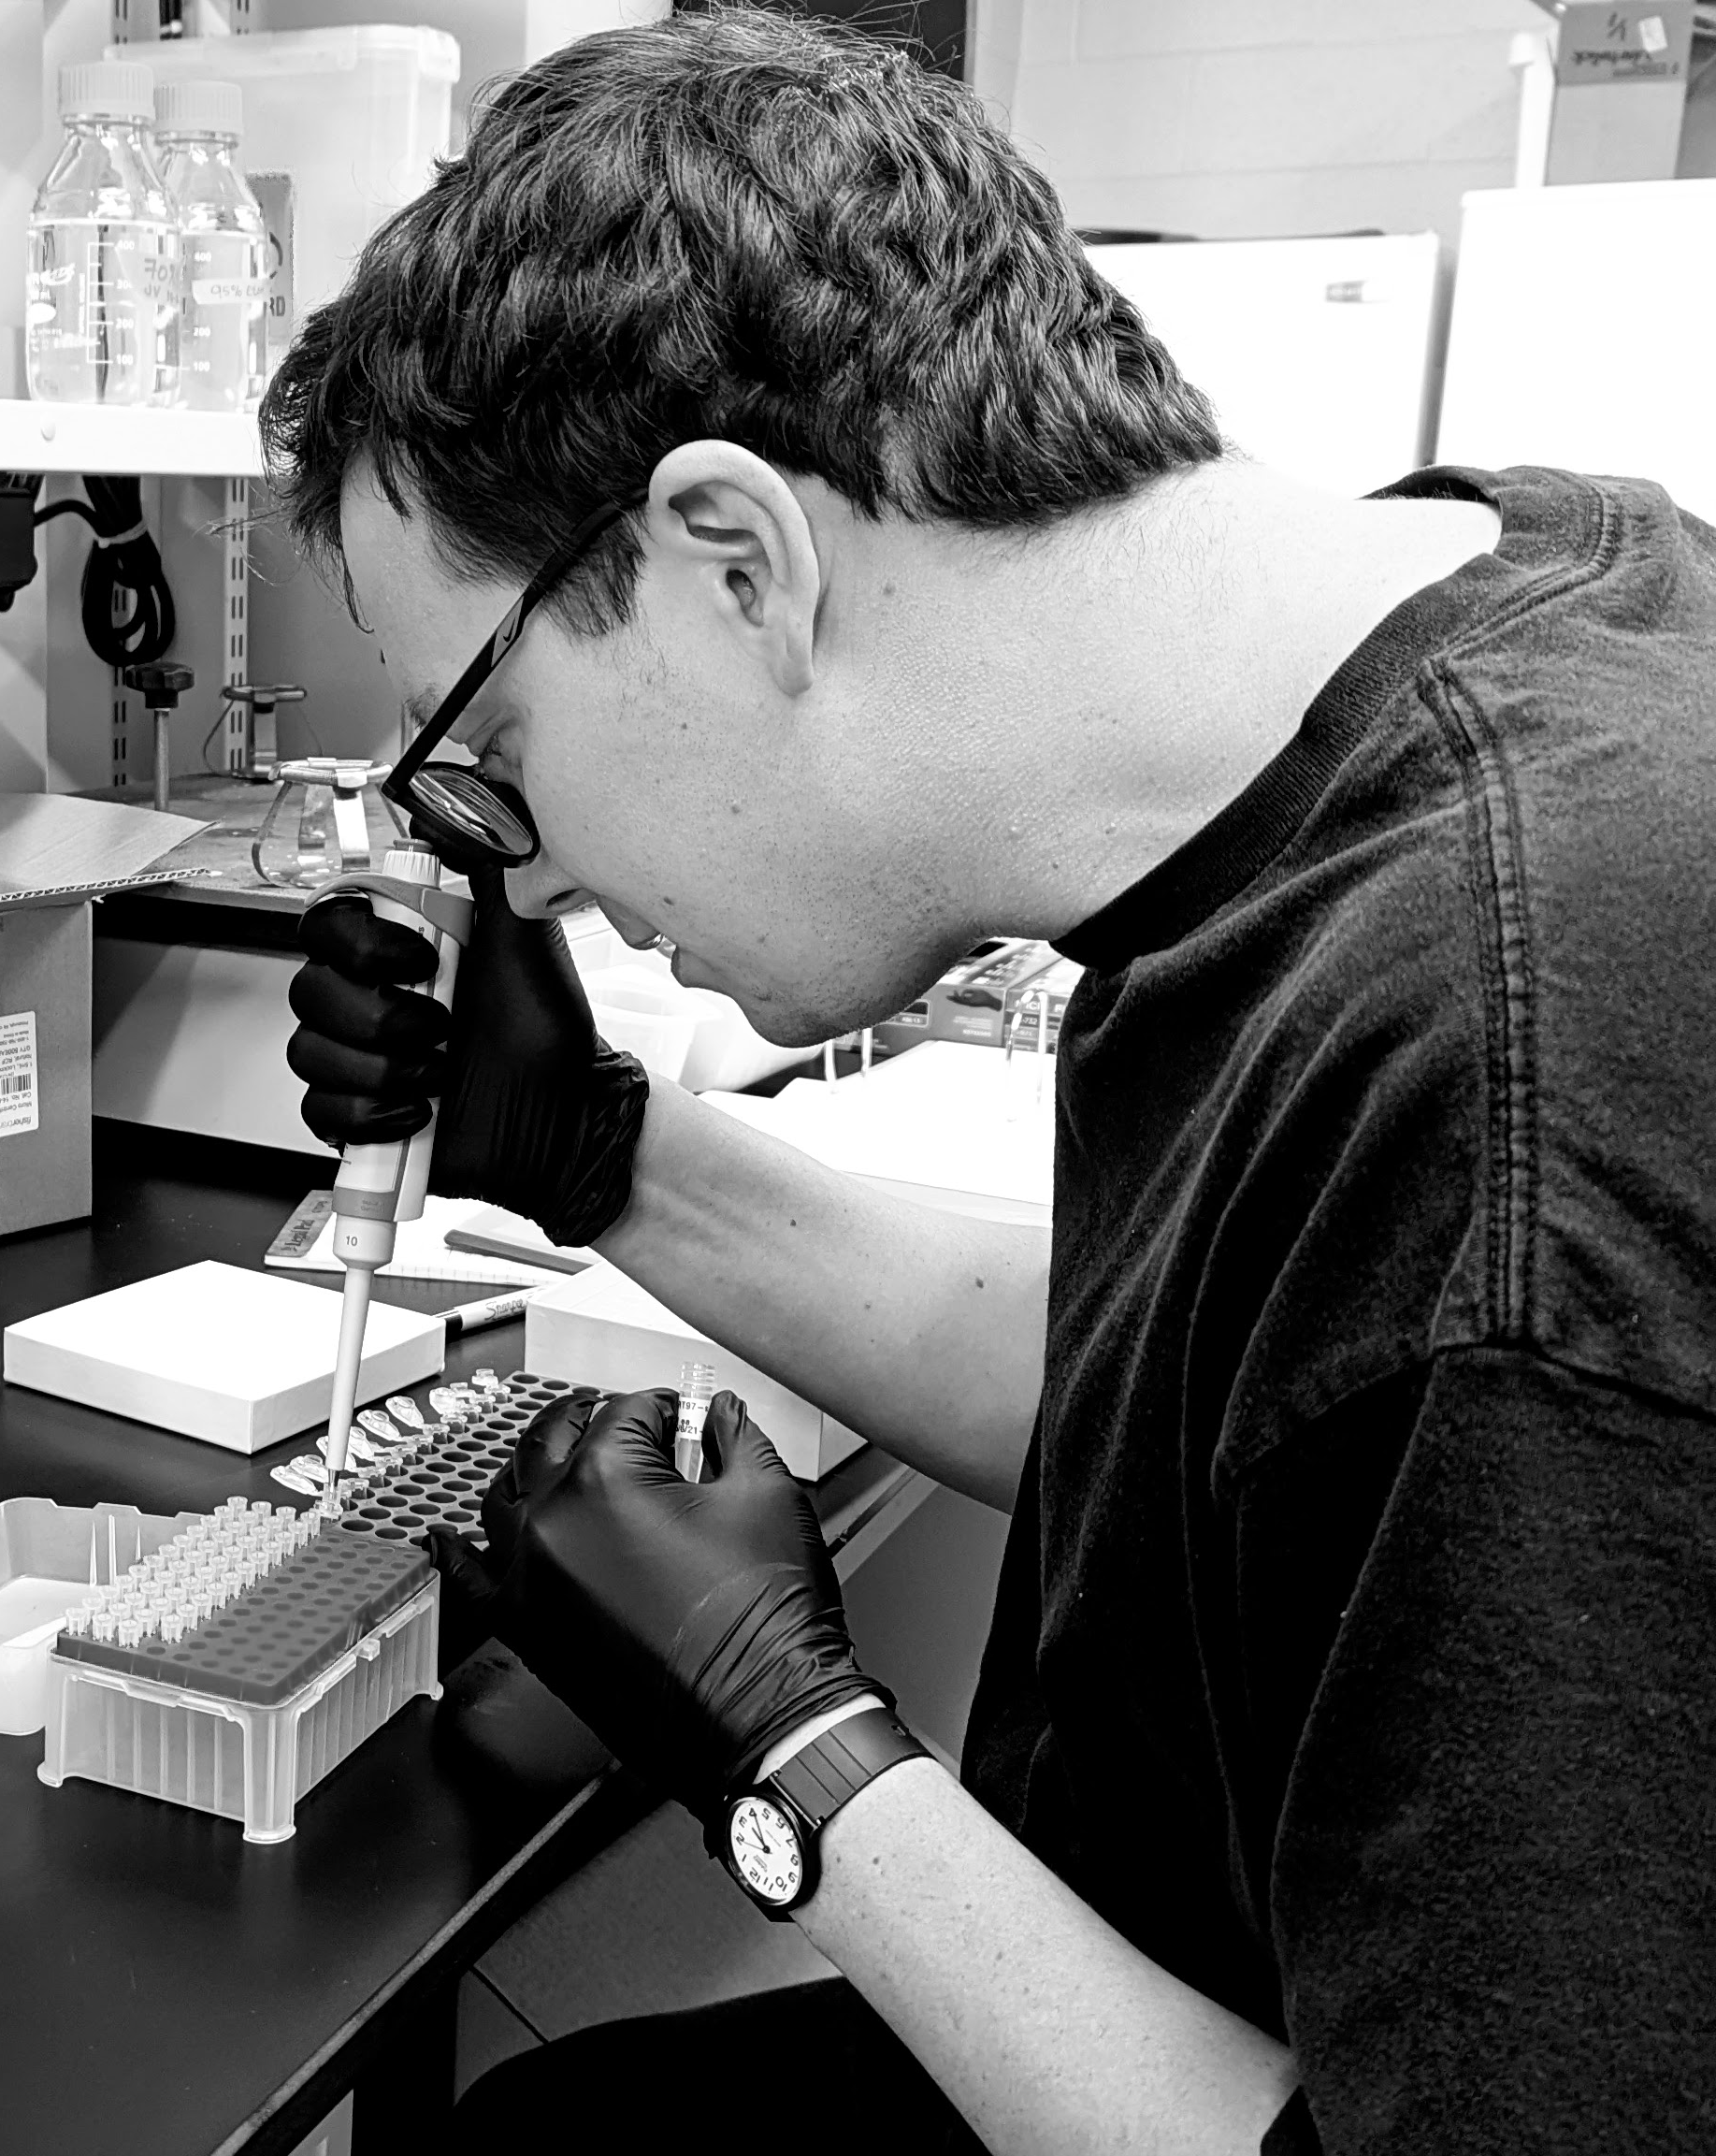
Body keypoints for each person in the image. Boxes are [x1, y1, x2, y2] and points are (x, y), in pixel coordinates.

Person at [261, 12, 1716, 2154]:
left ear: (736, 559)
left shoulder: (1518, 1078)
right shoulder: (1441, 653)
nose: (527, 873)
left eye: (487, 768)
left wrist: (794, 1757)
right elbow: (1230, 1403)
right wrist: (600, 1155)